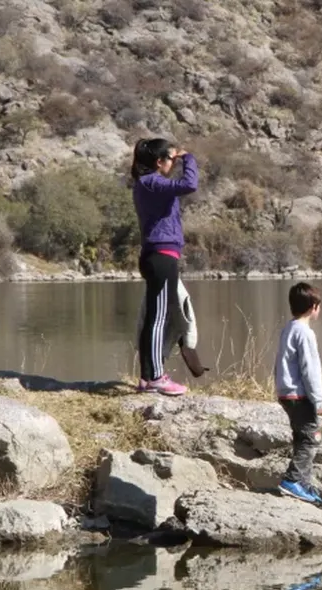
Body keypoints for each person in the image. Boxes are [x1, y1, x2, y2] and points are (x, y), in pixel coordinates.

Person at [131, 137, 199, 397]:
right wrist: (189, 158)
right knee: (158, 319)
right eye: (171, 158)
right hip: (160, 256)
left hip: (160, 255)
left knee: (154, 318)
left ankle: (148, 378)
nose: (175, 161)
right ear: (159, 162)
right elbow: (190, 184)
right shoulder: (152, 182)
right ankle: (157, 377)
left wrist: (178, 158)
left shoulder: (149, 184)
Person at [275, 282, 322, 505]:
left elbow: (280, 362)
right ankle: (293, 479)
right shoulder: (305, 333)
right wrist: (320, 401)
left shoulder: (289, 328)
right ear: (313, 307)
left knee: (300, 438)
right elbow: (310, 370)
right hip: (300, 395)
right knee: (311, 438)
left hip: (286, 393)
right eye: (319, 305)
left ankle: (304, 483)